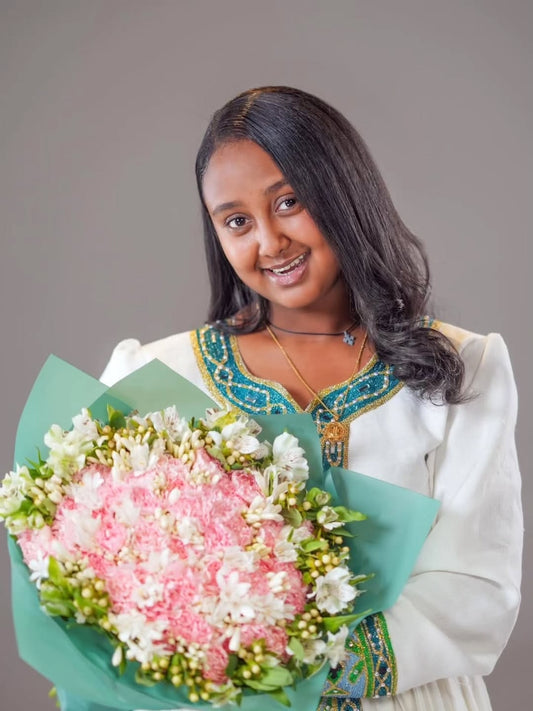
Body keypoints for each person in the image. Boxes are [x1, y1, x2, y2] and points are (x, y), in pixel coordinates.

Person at [101, 86, 523, 711]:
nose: (270, 242)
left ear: (342, 192)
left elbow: (478, 587)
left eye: (289, 202)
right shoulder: (160, 375)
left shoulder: (461, 368)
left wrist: (311, 674)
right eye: (237, 221)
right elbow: (116, 565)